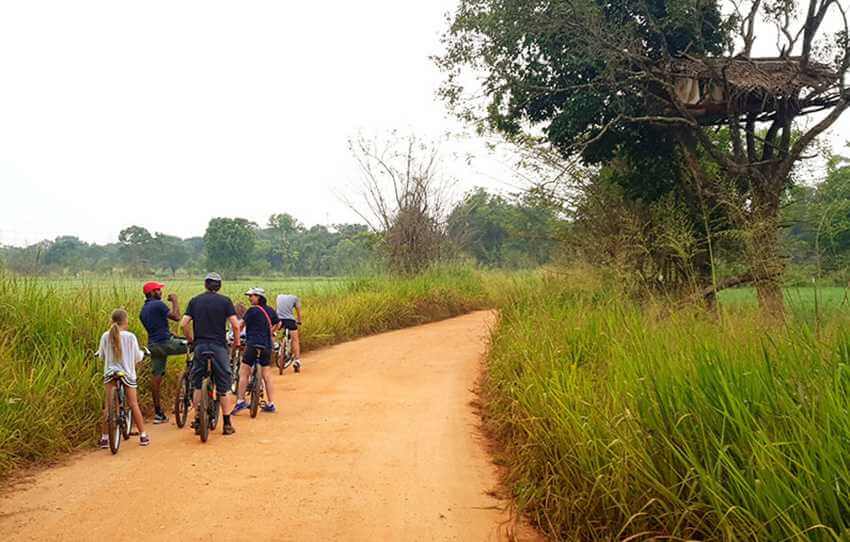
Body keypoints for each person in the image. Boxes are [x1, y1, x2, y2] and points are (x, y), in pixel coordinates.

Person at [180, 272, 240, 436]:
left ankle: (198, 418)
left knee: (198, 382)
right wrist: (236, 342)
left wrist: (191, 339)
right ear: (219, 286)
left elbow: (184, 323)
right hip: (218, 347)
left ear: (205, 285)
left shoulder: (195, 301)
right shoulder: (225, 301)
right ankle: (227, 424)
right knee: (224, 385)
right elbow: (235, 325)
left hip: (200, 346)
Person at [98, 308, 149, 447]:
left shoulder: (105, 336)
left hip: (110, 373)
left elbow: (101, 355)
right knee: (133, 404)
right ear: (125, 321)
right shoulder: (130, 336)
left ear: (112, 320)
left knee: (108, 406)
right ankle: (143, 435)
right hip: (127, 374)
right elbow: (137, 357)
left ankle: (104, 437)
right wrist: (143, 354)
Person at [139, 280, 187, 424]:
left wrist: (168, 333)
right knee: (195, 345)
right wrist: (175, 300)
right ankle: (193, 382)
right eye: (159, 290)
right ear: (152, 293)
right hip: (165, 344)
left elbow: (157, 327)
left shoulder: (144, 309)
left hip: (153, 346)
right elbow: (177, 317)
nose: (161, 292)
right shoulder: (158, 304)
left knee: (156, 375)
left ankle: (158, 413)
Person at [233, 288, 280, 414]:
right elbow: (278, 323)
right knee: (267, 374)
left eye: (252, 296)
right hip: (266, 345)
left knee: (244, 371)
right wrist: (271, 332)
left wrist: (235, 336)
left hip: (252, 344)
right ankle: (271, 403)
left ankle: (240, 401)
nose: (249, 298)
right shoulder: (270, 310)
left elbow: (240, 325)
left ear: (258, 297)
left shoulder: (252, 310)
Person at [275, 293, 303, 373]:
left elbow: (276, 309)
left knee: (273, 332)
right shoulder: (296, 298)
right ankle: (297, 361)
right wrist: (299, 321)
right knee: (295, 340)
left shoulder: (278, 296)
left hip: (279, 320)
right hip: (289, 320)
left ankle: (276, 344)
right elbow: (298, 311)